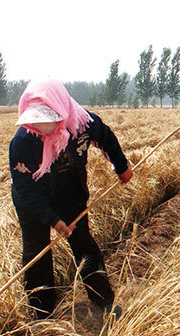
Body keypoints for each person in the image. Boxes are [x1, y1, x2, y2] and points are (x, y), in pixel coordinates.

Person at [9, 79, 133, 321]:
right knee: (37, 254)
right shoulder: (23, 141)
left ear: (61, 111)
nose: (42, 126)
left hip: (71, 194)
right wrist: (53, 220)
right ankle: (41, 315)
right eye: (37, 120)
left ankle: (104, 303)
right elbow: (25, 191)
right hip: (33, 203)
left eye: (49, 119)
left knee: (84, 244)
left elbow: (106, 138)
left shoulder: (83, 124)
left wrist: (121, 166)